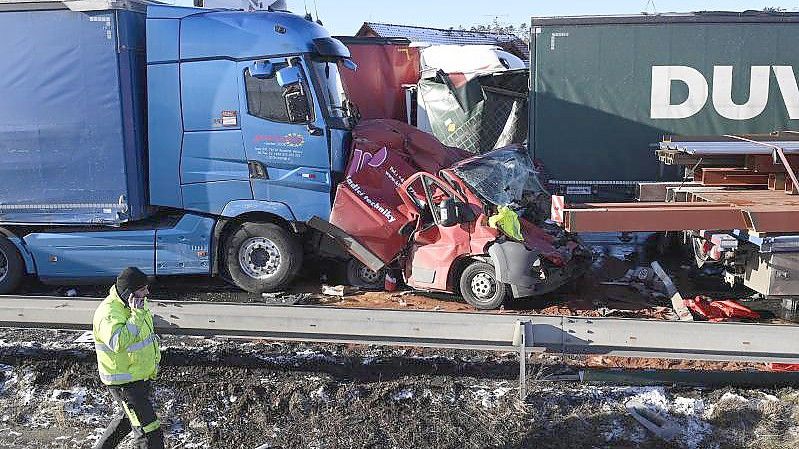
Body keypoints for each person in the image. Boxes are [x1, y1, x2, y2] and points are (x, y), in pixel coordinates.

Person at [92, 267, 163, 449]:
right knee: (149, 433)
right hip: (125, 383)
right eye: (142, 289)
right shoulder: (108, 313)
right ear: (127, 293)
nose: (147, 292)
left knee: (126, 420)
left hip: (138, 377)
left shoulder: (136, 303)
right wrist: (136, 315)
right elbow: (118, 343)